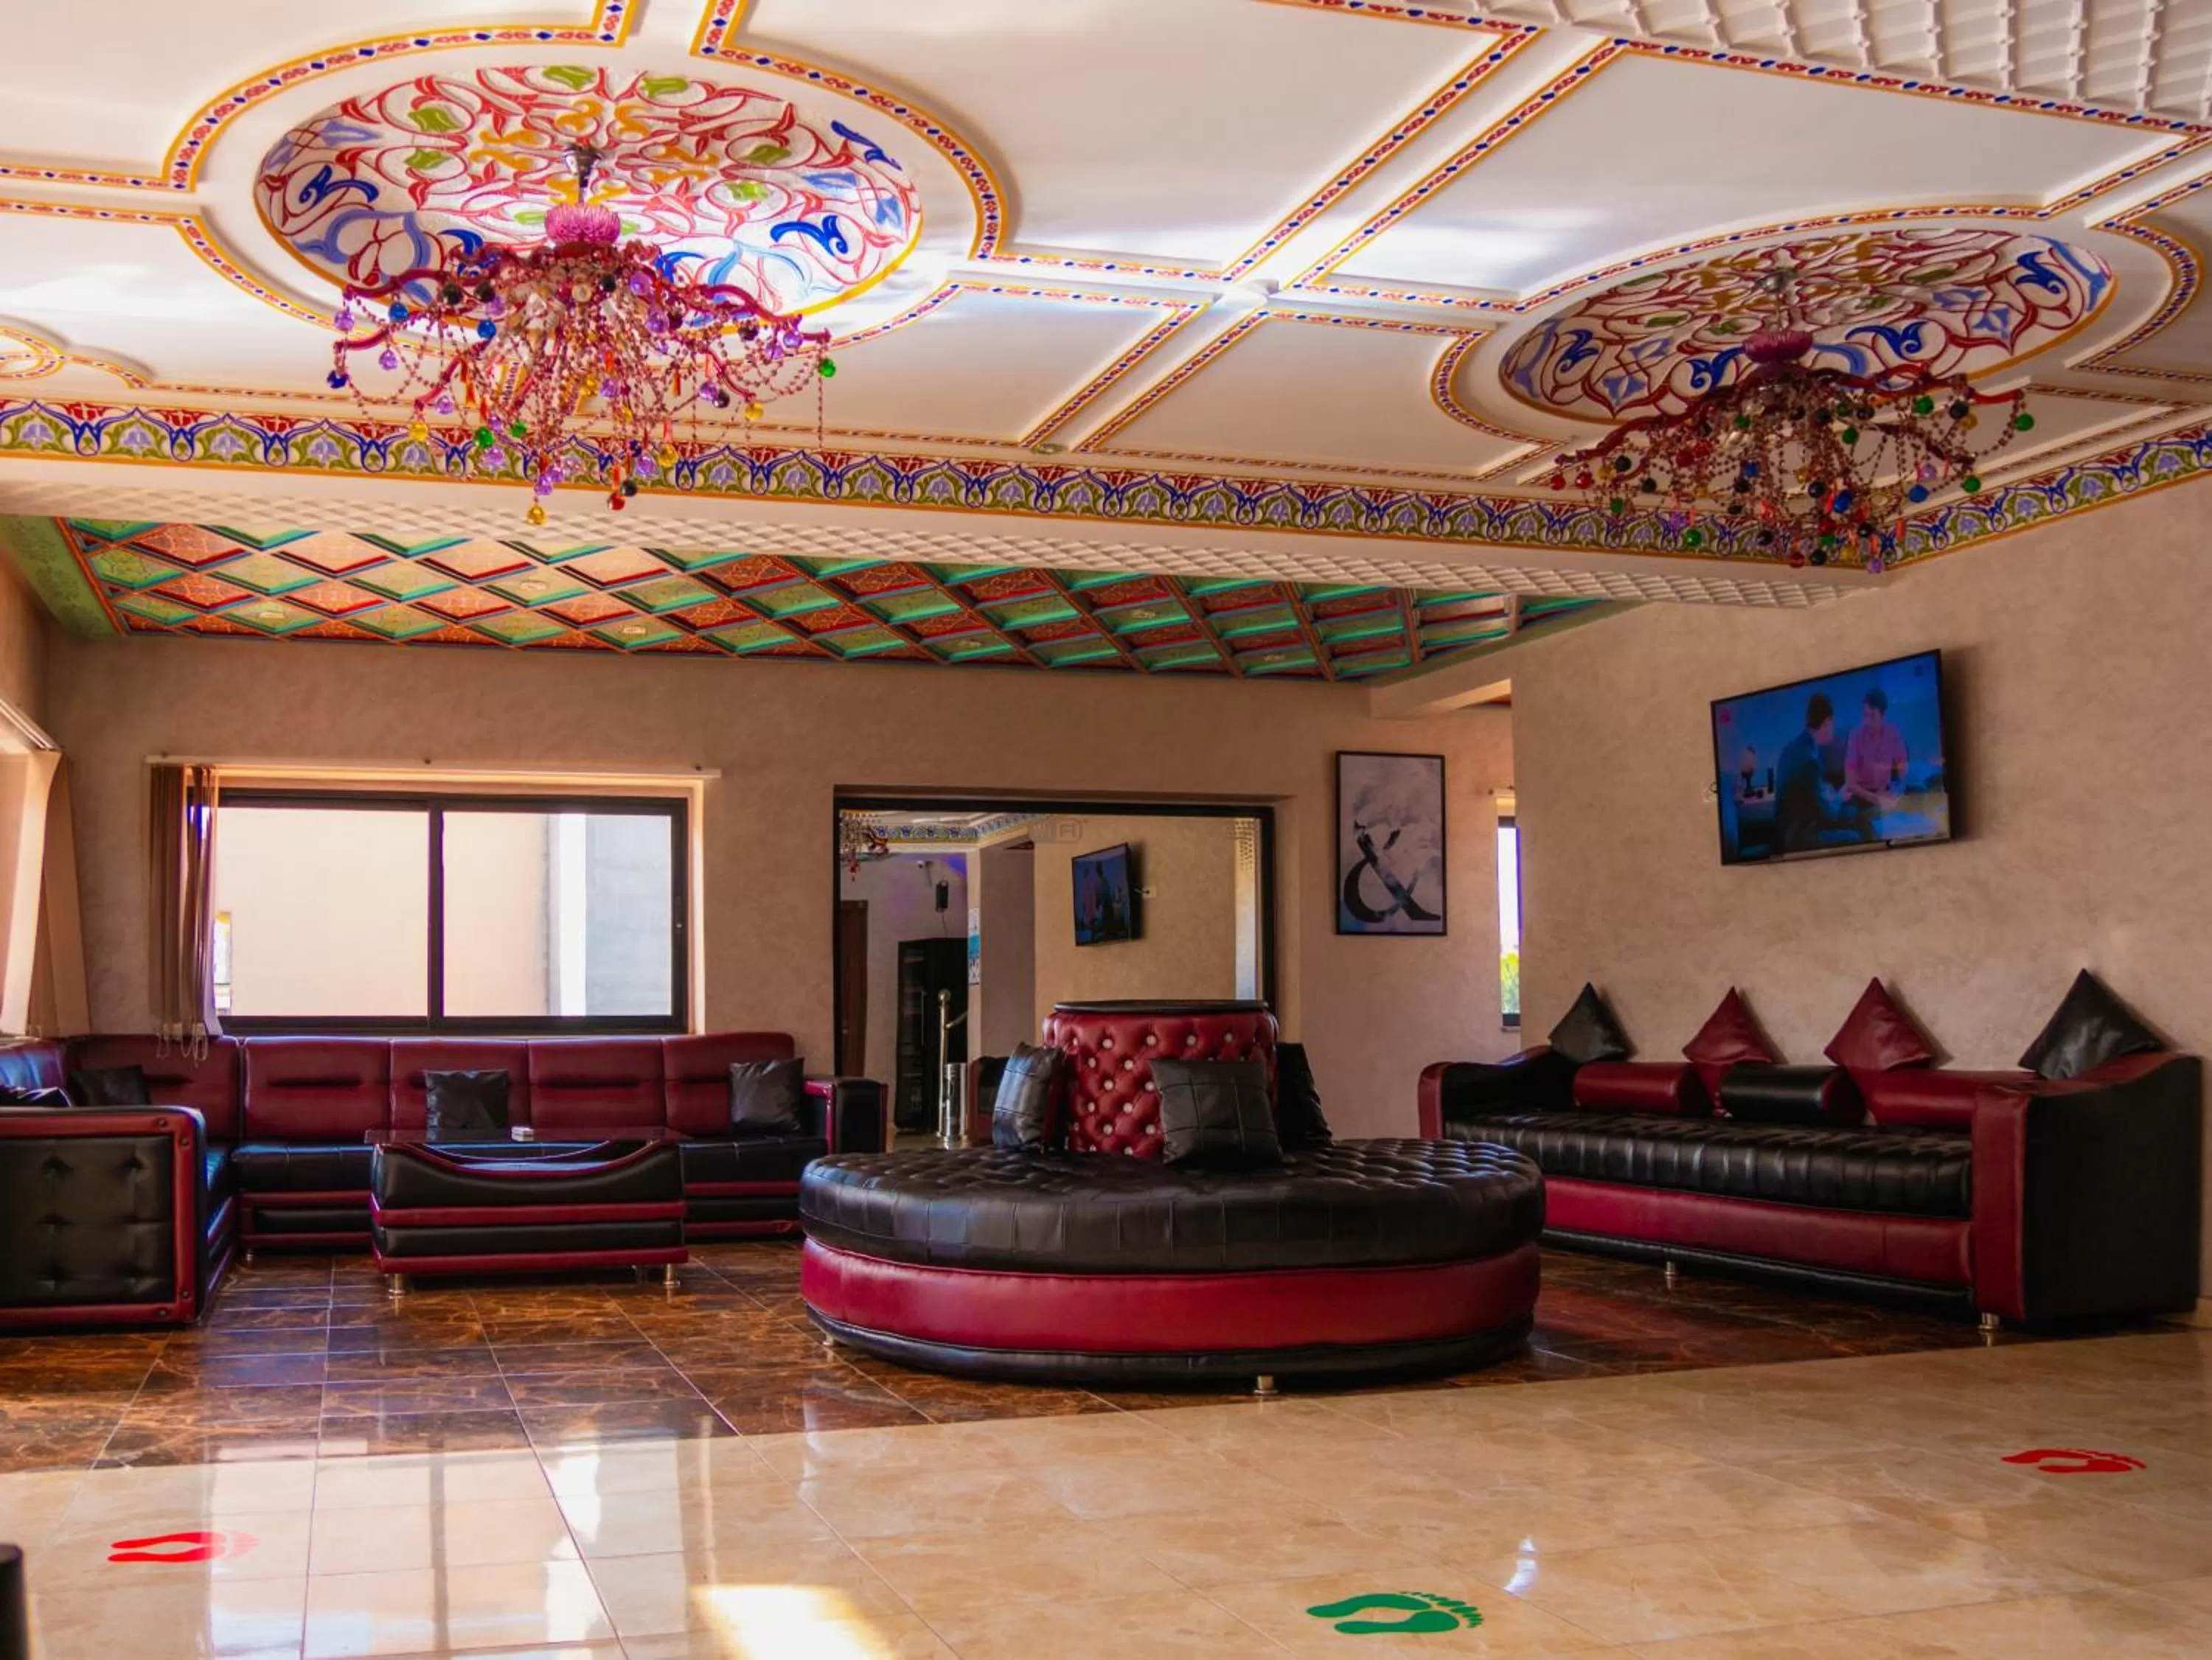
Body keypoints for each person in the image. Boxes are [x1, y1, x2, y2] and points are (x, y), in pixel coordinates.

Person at [1775, 692, 1865, 852]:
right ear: (1826, 723)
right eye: (1832, 724)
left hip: (1791, 829)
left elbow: (1810, 790)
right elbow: (1828, 814)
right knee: (1855, 834)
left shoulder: (1794, 748)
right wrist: (1839, 797)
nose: (1833, 729)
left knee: (1851, 813)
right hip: (1800, 837)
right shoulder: (1809, 760)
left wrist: (1829, 793)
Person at [1843, 686, 1908, 808]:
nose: (1867, 721)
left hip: (1885, 791)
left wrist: (1898, 790)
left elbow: (1902, 762)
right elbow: (1850, 783)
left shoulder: (1892, 733)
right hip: (1862, 795)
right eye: (1865, 715)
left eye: (1872, 716)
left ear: (1883, 715)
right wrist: (1877, 799)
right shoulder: (1855, 736)